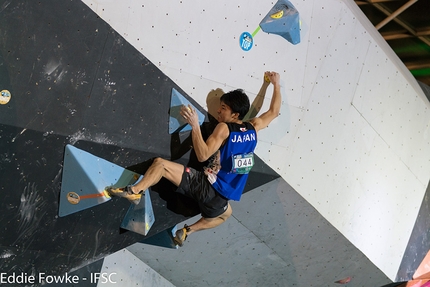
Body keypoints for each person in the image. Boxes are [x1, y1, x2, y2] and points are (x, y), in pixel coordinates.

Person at [109, 71, 281, 246]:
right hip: (220, 200)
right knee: (225, 214)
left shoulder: (224, 129)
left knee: (160, 164)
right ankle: (187, 230)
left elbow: (203, 155)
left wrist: (194, 125)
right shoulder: (254, 127)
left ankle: (135, 191)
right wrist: (273, 84)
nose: (218, 111)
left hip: (205, 186)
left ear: (235, 115)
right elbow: (274, 111)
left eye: (223, 108)